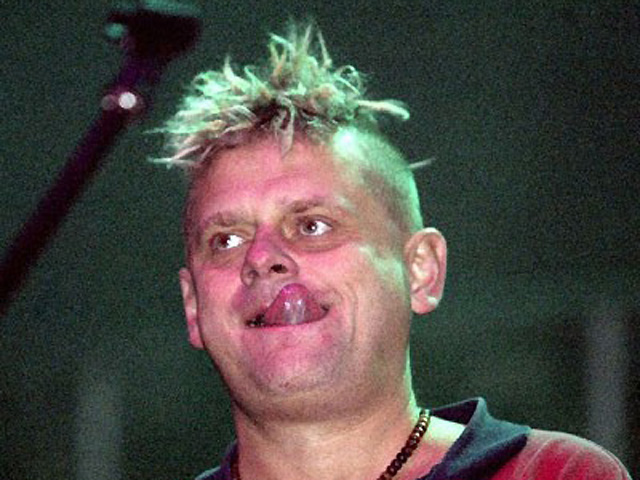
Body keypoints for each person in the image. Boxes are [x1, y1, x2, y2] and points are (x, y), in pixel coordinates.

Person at [155, 24, 632, 480]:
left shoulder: (555, 473)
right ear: (193, 306)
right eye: (227, 240)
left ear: (421, 270)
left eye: (312, 226)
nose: (261, 257)